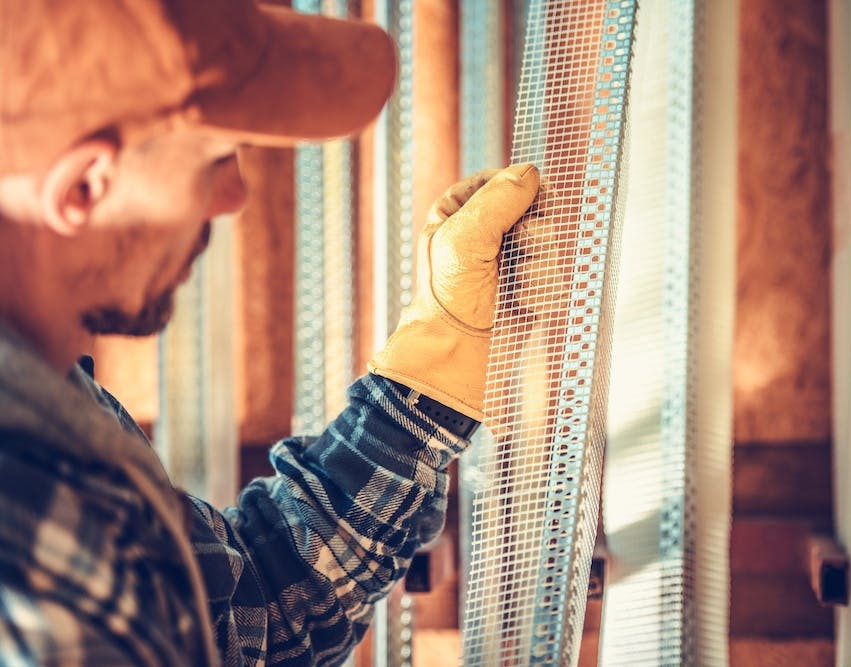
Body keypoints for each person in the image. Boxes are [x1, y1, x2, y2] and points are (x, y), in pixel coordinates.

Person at [0, 0, 541, 664]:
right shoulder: (27, 539)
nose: (236, 195)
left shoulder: (57, 407)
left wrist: (432, 368)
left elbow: (244, 617)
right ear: (83, 187)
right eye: (215, 157)